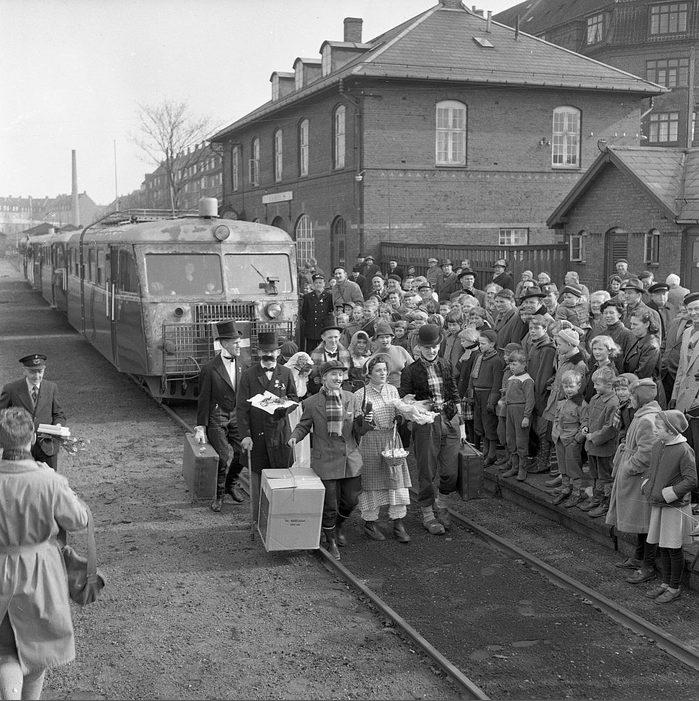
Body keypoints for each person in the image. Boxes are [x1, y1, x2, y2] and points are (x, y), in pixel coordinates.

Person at [0, 407, 90, 700]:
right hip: (39, 574)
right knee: (37, 651)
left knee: (5, 651)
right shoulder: (48, 480)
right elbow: (78, 520)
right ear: (31, 439)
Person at [289, 360, 363, 560]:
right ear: (323, 378)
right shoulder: (311, 403)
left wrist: (366, 423)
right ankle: (330, 539)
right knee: (330, 505)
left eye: (340, 374)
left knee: (351, 500)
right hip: (326, 459)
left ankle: (339, 526)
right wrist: (295, 436)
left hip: (349, 458)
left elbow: (360, 428)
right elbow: (304, 425)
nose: (338, 378)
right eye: (333, 374)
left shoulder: (351, 398)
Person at [399, 323, 464, 535]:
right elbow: (405, 400)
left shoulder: (445, 364)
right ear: (419, 347)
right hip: (426, 424)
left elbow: (454, 393)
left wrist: (461, 425)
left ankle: (442, 503)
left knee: (451, 472)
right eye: (427, 347)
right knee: (427, 471)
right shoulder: (410, 371)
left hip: (450, 420)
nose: (432, 350)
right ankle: (428, 513)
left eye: (435, 346)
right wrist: (417, 406)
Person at [237, 331, 298, 523]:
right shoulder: (248, 375)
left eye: (272, 351)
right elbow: (242, 408)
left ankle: (279, 520)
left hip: (280, 434)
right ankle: (258, 521)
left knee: (281, 479)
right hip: (258, 436)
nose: (268, 355)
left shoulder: (286, 373)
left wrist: (283, 406)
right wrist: (245, 435)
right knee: (257, 481)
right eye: (264, 351)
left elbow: (294, 398)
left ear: (278, 352)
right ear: (258, 352)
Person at [605, 378, 662, 584]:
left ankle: (648, 565)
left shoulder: (647, 419)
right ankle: (639, 557)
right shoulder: (643, 415)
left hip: (640, 479)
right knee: (640, 521)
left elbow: (646, 453)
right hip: (636, 477)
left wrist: (628, 467)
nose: (629, 398)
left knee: (645, 522)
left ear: (641, 397)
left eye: (632, 395)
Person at [353, 354, 412, 543]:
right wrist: (363, 421)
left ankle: (398, 522)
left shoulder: (392, 390)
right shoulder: (360, 394)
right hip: (370, 440)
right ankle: (370, 523)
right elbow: (357, 423)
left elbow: (399, 411)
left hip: (391, 438)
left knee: (396, 480)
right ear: (369, 373)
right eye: (378, 370)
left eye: (385, 370)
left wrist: (400, 418)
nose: (383, 373)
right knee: (371, 481)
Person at [642, 410, 697, 603]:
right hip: (660, 503)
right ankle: (666, 583)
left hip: (674, 506)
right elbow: (653, 470)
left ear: (671, 430)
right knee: (663, 545)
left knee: (673, 548)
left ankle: (674, 587)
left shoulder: (684, 450)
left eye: (658, 427)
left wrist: (670, 493)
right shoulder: (659, 445)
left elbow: (691, 480)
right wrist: (647, 485)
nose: (654, 430)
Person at [195, 320, 247, 512]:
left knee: (242, 451)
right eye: (235, 343)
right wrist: (201, 427)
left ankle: (230, 485)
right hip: (217, 417)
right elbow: (203, 399)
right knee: (224, 456)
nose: (239, 346)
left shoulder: (242, 364)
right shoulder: (210, 369)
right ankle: (218, 496)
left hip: (236, 416)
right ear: (224, 343)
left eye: (239, 342)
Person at [0, 354, 66, 471]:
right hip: (20, 447)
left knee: (48, 478)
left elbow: (58, 414)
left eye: (40, 371)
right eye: (32, 372)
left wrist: (58, 426)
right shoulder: (11, 389)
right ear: (24, 371)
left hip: (47, 446)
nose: (36, 376)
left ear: (44, 370)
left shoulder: (51, 388)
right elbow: (2, 416)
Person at [580, 366, 619, 517]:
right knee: (594, 473)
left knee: (606, 476)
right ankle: (597, 498)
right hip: (592, 446)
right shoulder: (595, 398)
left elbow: (611, 428)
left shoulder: (613, 403)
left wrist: (593, 436)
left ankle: (606, 503)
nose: (594, 386)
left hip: (604, 448)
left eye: (597, 384)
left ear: (609, 384)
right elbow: (587, 416)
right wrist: (585, 426)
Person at [550, 370, 588, 508]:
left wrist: (577, 440)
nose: (568, 389)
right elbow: (556, 417)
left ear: (579, 385)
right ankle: (565, 488)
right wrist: (554, 432)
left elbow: (585, 424)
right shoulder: (561, 401)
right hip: (559, 439)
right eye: (565, 386)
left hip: (572, 441)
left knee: (574, 468)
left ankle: (577, 493)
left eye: (571, 386)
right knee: (563, 466)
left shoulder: (581, 404)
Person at [468, 329, 504, 465]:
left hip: (487, 395)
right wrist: (470, 395)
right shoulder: (478, 357)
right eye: (480, 343)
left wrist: (492, 401)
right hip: (477, 395)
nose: (480, 346)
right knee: (480, 424)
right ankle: (485, 450)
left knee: (489, 424)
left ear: (492, 344)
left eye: (483, 343)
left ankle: (492, 453)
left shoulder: (496, 361)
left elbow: (497, 383)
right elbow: (472, 377)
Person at [526, 314, 556, 473]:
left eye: (536, 328)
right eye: (530, 328)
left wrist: (536, 396)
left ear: (545, 329)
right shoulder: (535, 345)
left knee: (543, 429)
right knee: (537, 428)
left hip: (541, 396)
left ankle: (543, 462)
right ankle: (539, 459)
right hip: (533, 392)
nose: (532, 331)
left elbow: (543, 376)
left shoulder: (547, 348)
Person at [501, 350, 535, 482]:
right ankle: (514, 466)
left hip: (520, 412)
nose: (512, 367)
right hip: (510, 410)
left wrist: (526, 416)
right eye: (510, 364)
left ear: (524, 364)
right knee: (510, 438)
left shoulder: (527, 380)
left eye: (514, 364)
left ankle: (522, 468)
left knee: (521, 440)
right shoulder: (511, 378)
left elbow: (530, 399)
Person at [283, 351, 314, 467]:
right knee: (291, 432)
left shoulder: (303, 377)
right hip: (290, 407)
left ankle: (302, 463)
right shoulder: (289, 373)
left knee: (301, 433)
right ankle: (291, 462)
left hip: (300, 407)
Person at [309, 325, 351, 393]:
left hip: (341, 388)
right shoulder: (314, 354)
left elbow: (349, 374)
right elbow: (312, 376)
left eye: (336, 337)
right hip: (321, 389)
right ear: (323, 337)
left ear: (340, 336)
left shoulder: (346, 353)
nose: (333, 340)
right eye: (330, 337)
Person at [299, 273, 334, 353]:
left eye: (320, 282)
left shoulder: (329, 296)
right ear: (313, 284)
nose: (318, 285)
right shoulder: (308, 297)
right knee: (311, 351)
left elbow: (330, 311)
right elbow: (304, 313)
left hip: (323, 329)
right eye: (316, 283)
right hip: (312, 329)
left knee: (325, 351)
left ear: (324, 284)